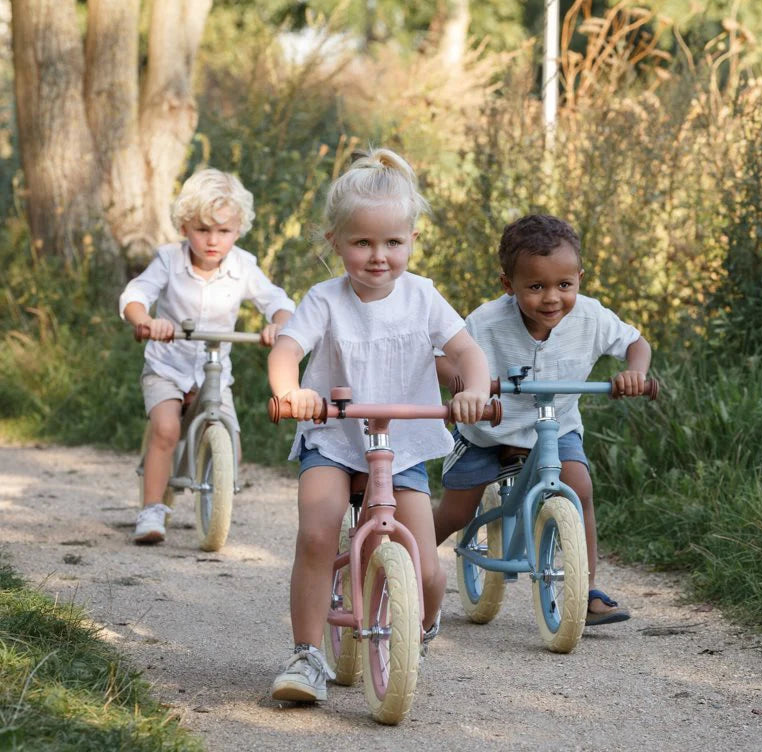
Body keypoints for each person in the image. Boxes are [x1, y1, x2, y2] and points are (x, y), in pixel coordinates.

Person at [267, 148, 490, 704]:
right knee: (318, 533)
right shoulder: (324, 299)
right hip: (335, 439)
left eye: (393, 243)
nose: (378, 256)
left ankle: (420, 625)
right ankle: (306, 655)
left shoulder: (424, 296)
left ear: (412, 240)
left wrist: (476, 390)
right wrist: (290, 392)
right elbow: (287, 348)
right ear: (334, 242)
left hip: (403, 444)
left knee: (427, 568)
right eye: (361, 243)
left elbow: (467, 351)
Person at [433, 213, 651, 626]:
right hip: (487, 430)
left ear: (580, 278)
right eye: (536, 287)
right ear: (508, 285)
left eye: (564, 285)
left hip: (555, 427)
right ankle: (406, 567)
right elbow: (446, 359)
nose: (552, 297)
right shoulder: (486, 321)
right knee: (458, 512)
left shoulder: (590, 317)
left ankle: (585, 591)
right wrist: (464, 389)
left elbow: (636, 342)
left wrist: (634, 372)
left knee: (580, 487)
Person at [120, 168, 294, 545]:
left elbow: (278, 301)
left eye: (223, 231)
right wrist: (147, 320)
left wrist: (277, 325)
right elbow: (136, 294)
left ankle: (218, 495)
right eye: (202, 230)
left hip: (214, 371)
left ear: (238, 230)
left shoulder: (243, 266)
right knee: (166, 430)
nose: (213, 241)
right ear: (184, 226)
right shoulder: (168, 260)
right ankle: (152, 509)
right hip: (167, 366)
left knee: (230, 436)